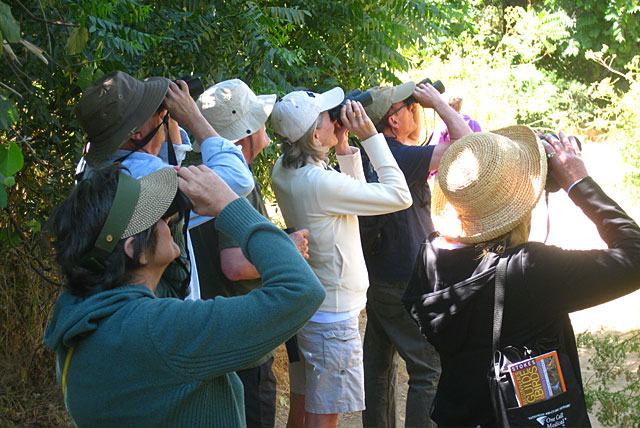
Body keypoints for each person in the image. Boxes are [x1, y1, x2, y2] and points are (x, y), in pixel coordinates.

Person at [43, 163, 326, 427]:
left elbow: (174, 283)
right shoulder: (159, 331)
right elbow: (301, 291)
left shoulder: (84, 319)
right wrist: (229, 205)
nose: (169, 222)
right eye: (159, 219)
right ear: (134, 250)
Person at [402, 127, 640, 427]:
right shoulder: (530, 269)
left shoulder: (430, 253)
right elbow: (635, 258)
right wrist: (579, 182)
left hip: (458, 414)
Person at [270, 89, 412, 427]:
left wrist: (345, 149)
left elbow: (356, 202)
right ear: (315, 135)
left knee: (304, 405)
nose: (336, 119)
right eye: (327, 117)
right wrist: (371, 137)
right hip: (332, 320)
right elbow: (398, 195)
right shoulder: (321, 183)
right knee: (325, 413)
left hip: (310, 305)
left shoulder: (284, 169)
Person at [192, 78, 310, 428]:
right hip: (242, 343)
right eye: (259, 121)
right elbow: (234, 264)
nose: (266, 129)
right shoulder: (235, 183)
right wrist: (284, 250)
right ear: (244, 133)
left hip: (211, 333)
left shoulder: (202, 171)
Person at [74, 71, 254, 298]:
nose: (160, 114)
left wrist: (167, 121)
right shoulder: (145, 178)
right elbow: (238, 179)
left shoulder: (92, 167)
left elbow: (165, 166)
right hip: (164, 312)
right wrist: (193, 117)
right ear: (138, 133)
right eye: (153, 113)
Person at [359, 81, 471, 428]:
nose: (416, 112)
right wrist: (439, 102)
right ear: (393, 121)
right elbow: (469, 144)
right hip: (403, 280)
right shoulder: (398, 156)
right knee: (428, 368)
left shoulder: (366, 154)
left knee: (377, 366)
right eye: (411, 107)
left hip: (378, 277)